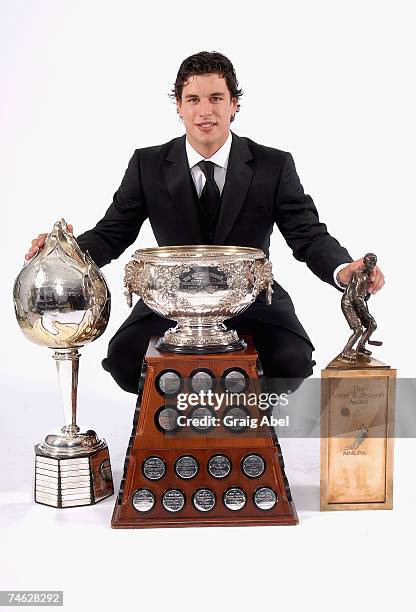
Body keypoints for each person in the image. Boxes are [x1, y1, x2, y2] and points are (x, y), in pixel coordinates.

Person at [25, 51, 385, 395]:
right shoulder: (147, 165)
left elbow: (308, 234)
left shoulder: (273, 165)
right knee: (124, 361)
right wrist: (62, 253)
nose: (205, 110)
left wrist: (344, 270)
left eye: (216, 97)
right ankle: (182, 414)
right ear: (179, 107)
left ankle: (240, 417)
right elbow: (112, 232)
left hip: (251, 299)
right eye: (193, 99)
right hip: (170, 301)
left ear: (234, 104)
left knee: (290, 362)